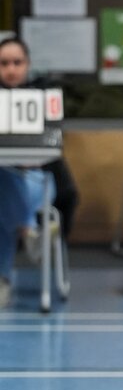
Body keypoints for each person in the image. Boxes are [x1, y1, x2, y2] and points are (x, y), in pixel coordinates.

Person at [0, 36, 79, 308]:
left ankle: (2, 278)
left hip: (40, 182)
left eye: (17, 62)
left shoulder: (45, 96)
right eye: (4, 63)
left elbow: (54, 147)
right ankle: (29, 232)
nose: (11, 69)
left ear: (28, 64)